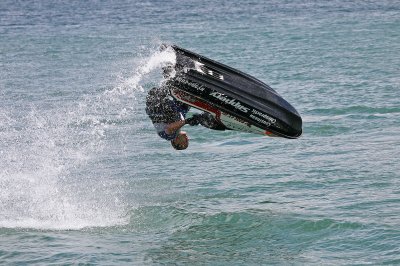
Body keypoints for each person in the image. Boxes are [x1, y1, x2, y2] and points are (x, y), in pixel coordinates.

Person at [145, 86, 227, 150]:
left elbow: (169, 128)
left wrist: (188, 121)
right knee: (188, 105)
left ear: (176, 143)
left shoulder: (170, 137)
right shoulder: (179, 124)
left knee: (180, 117)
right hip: (162, 102)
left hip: (155, 103)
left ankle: (174, 84)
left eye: (186, 142)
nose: (188, 139)